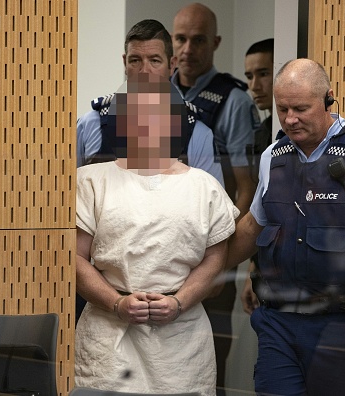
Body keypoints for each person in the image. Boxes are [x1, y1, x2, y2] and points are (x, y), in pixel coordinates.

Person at [226, 58, 345, 395]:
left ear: (329, 98)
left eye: (301, 108)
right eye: (282, 108)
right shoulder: (274, 156)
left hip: (342, 325)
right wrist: (199, 272)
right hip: (279, 322)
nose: (290, 119)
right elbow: (252, 227)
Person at [75, 72, 239, 396]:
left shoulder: (203, 186)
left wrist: (178, 302)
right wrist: (118, 303)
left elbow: (215, 259)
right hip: (109, 338)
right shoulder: (91, 181)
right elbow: (74, 259)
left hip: (183, 343)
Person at [75, 19, 223, 324]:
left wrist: (182, 300)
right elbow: (67, 210)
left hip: (174, 299)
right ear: (124, 64)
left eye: (154, 61)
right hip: (98, 290)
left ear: (171, 64)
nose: (144, 71)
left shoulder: (198, 133)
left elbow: (212, 231)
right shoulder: (90, 123)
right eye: (135, 60)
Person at [171, 5, 259, 392]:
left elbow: (246, 188)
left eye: (199, 39)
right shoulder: (154, 92)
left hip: (210, 246)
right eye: (180, 38)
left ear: (216, 43)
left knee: (207, 355)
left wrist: (220, 259)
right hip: (161, 245)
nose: (187, 48)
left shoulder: (234, 100)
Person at [242, 38, 275, 315]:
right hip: (265, 265)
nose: (254, 85)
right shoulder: (262, 134)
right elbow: (260, 212)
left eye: (263, 74)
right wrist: (252, 269)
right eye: (250, 76)